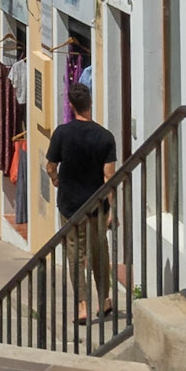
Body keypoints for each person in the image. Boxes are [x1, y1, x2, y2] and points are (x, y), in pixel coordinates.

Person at [46, 81, 117, 322]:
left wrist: (56, 180)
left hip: (70, 206)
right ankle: (105, 299)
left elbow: (50, 166)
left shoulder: (61, 134)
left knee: (75, 254)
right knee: (100, 252)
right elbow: (109, 177)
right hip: (97, 206)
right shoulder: (105, 137)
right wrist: (113, 211)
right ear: (90, 104)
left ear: (71, 105)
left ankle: (83, 305)